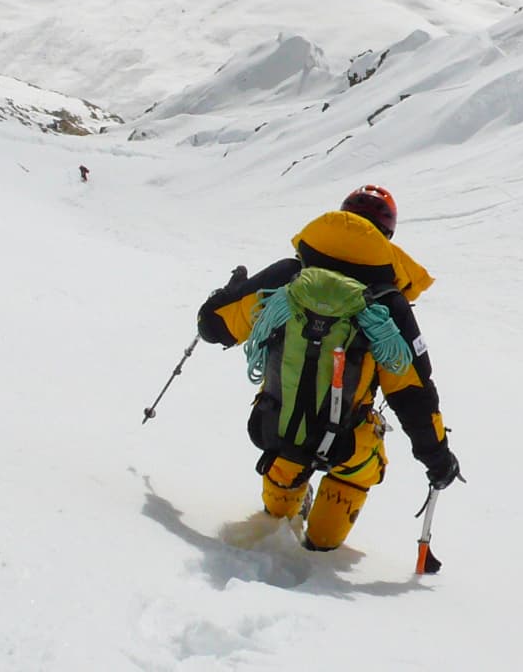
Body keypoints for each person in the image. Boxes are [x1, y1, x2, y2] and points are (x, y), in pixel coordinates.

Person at [196, 184, 461, 551]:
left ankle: (277, 519)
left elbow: (211, 326)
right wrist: (437, 458)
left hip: (276, 425)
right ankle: (319, 549)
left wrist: (233, 290)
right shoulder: (387, 303)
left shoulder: (288, 276)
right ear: (387, 237)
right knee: (363, 464)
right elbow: (413, 393)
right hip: (346, 443)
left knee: (286, 458)